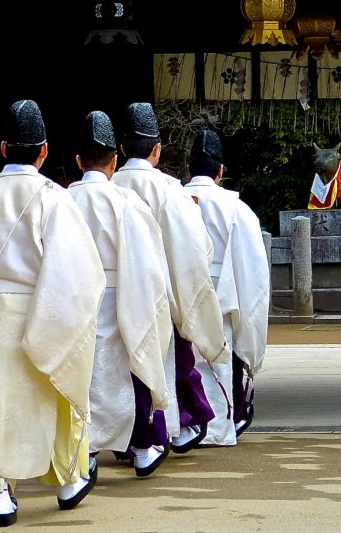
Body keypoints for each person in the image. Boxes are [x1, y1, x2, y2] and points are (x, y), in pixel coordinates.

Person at [0, 99, 106, 521]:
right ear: (44, 150)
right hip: (38, 311)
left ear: (4, 148)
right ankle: (67, 479)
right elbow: (78, 274)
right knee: (55, 394)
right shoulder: (55, 200)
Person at [110, 102, 231, 457]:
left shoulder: (107, 187)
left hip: (112, 297)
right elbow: (195, 251)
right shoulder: (169, 190)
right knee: (167, 362)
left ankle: (127, 440)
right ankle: (169, 431)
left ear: (120, 151)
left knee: (116, 370)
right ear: (157, 149)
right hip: (157, 293)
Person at [67, 110, 174, 478]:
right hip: (119, 295)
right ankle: (142, 448)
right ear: (115, 161)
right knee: (132, 368)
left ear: (79, 161)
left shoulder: (61, 200)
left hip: (72, 296)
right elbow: (147, 265)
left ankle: (85, 452)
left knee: (81, 374)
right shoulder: (126, 202)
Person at [184, 129, 270, 444]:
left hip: (179, 291)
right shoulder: (237, 210)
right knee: (218, 357)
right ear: (221, 171)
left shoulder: (171, 200)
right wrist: (250, 342)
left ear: (188, 170)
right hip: (222, 292)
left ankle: (180, 427)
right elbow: (254, 274)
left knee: (180, 359)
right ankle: (217, 426)